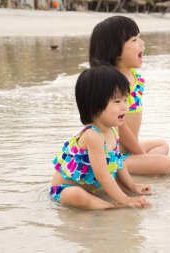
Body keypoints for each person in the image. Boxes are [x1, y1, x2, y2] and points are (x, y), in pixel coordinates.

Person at [89, 16, 170, 175]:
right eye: (134, 40)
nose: (142, 43)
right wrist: (141, 155)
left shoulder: (136, 78)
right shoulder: (111, 84)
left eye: (140, 37)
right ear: (116, 50)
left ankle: (143, 162)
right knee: (164, 165)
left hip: (129, 148)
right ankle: (139, 164)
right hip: (113, 155)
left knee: (162, 145)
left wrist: (137, 153)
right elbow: (120, 128)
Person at [50, 65, 152, 209]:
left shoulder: (113, 130)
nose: (124, 107)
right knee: (76, 195)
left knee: (111, 184)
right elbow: (102, 175)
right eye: (117, 102)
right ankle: (113, 207)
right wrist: (125, 200)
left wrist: (132, 187)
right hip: (63, 190)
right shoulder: (93, 135)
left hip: (92, 189)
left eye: (125, 100)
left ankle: (109, 203)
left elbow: (118, 163)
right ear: (94, 106)